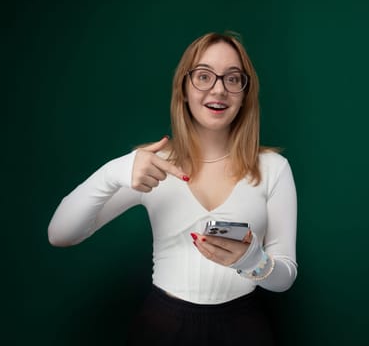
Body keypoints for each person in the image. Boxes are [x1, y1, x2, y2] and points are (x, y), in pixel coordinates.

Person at [48, 32, 297, 345]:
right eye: (204, 76)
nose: (219, 89)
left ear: (245, 93)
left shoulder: (273, 168)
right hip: (162, 330)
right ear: (183, 88)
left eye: (233, 79)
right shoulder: (150, 166)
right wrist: (115, 172)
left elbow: (285, 277)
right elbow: (60, 234)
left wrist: (250, 260)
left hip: (244, 330)